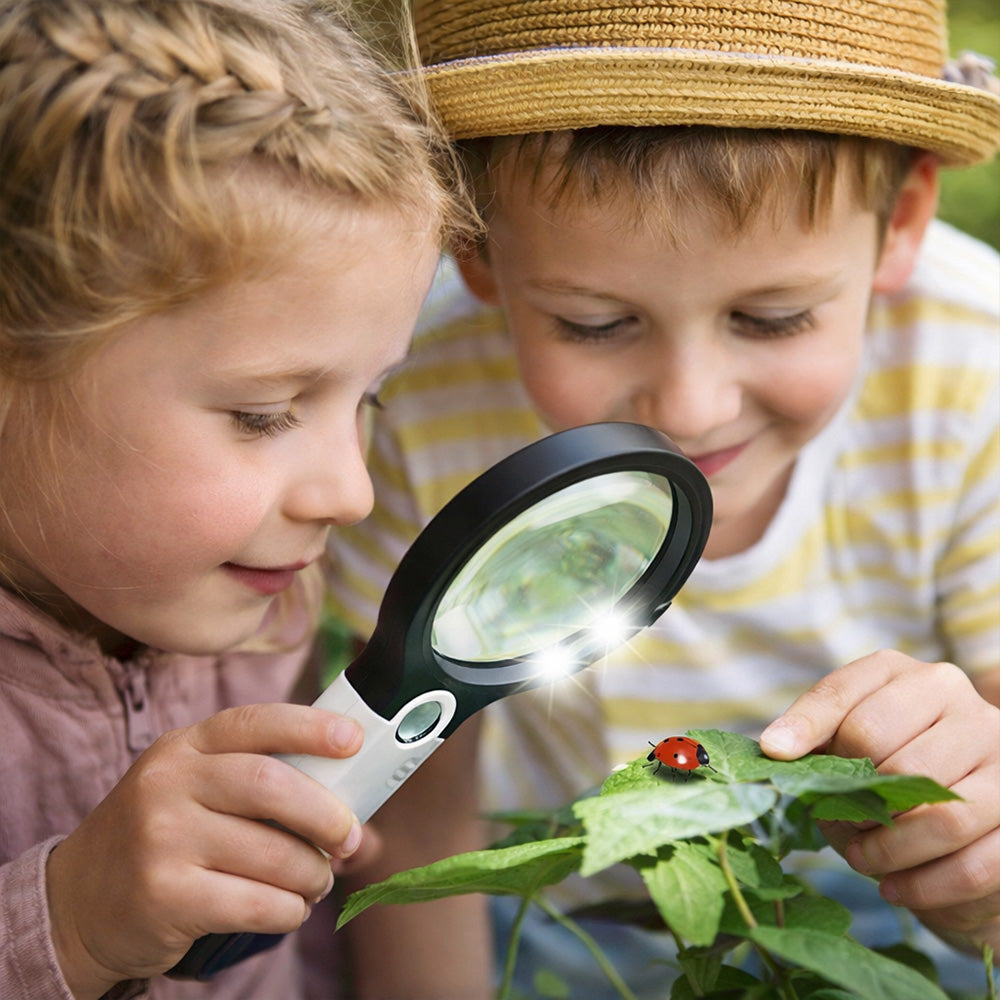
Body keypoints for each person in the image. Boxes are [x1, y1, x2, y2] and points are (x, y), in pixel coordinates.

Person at [324, 0, 1000, 997]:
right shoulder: (415, 393)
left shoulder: (974, 375)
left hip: (881, 925)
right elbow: (419, 814)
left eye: (773, 318)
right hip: (562, 920)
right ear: (473, 247)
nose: (690, 406)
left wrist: (974, 869)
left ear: (899, 224)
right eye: (593, 324)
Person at [0, 1, 469, 997]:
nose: (350, 491)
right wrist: (68, 920)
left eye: (367, 400)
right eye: (263, 415)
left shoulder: (265, 610)